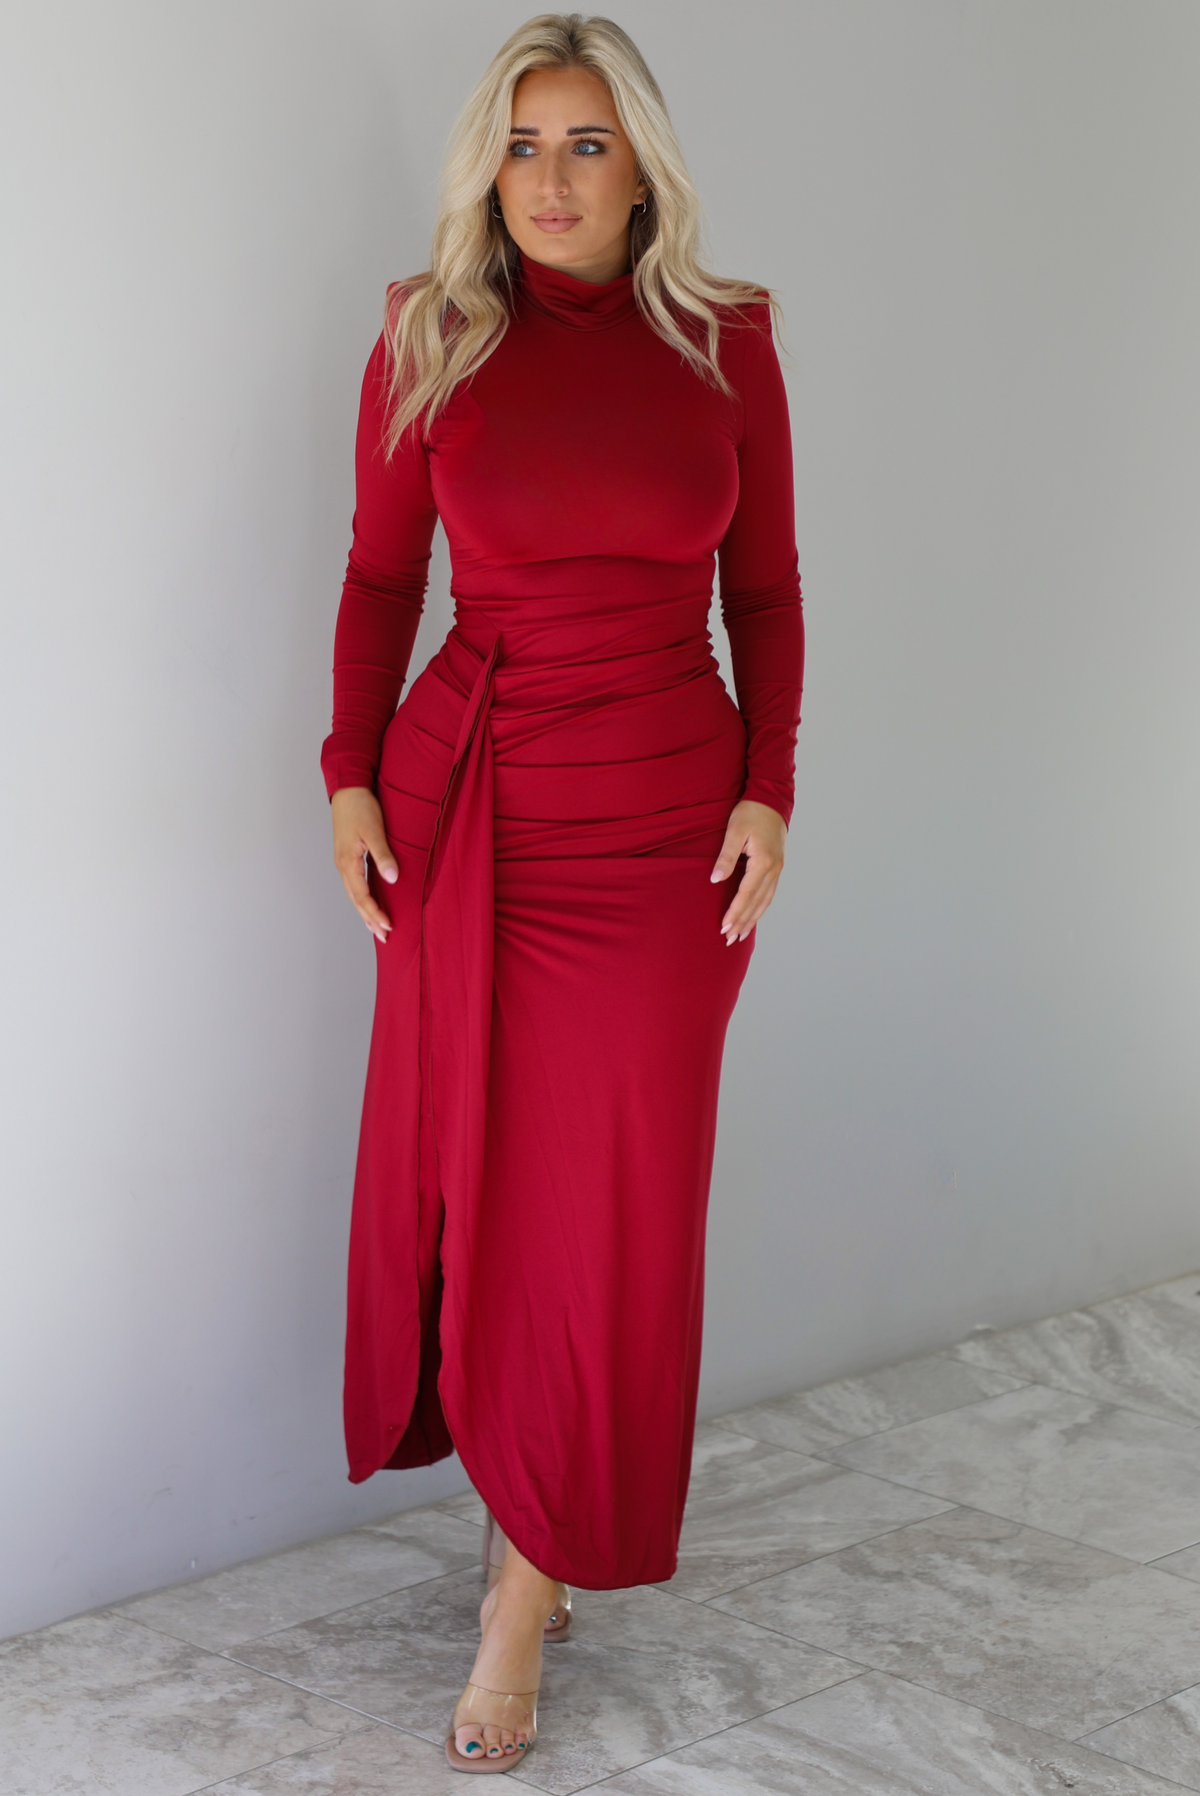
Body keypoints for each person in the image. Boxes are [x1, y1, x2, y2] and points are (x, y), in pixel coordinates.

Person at [321, 11, 803, 1774]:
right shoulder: (430, 335)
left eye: (587, 143)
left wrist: (771, 788)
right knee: (487, 1186)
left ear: (642, 167)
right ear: (488, 168)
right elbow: (382, 579)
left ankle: (527, 1582)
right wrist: (347, 771)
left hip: (668, 832)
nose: (551, 177)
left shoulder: (726, 341)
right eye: (523, 145)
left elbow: (768, 590)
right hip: (478, 815)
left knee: (608, 1206)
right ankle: (524, 1543)